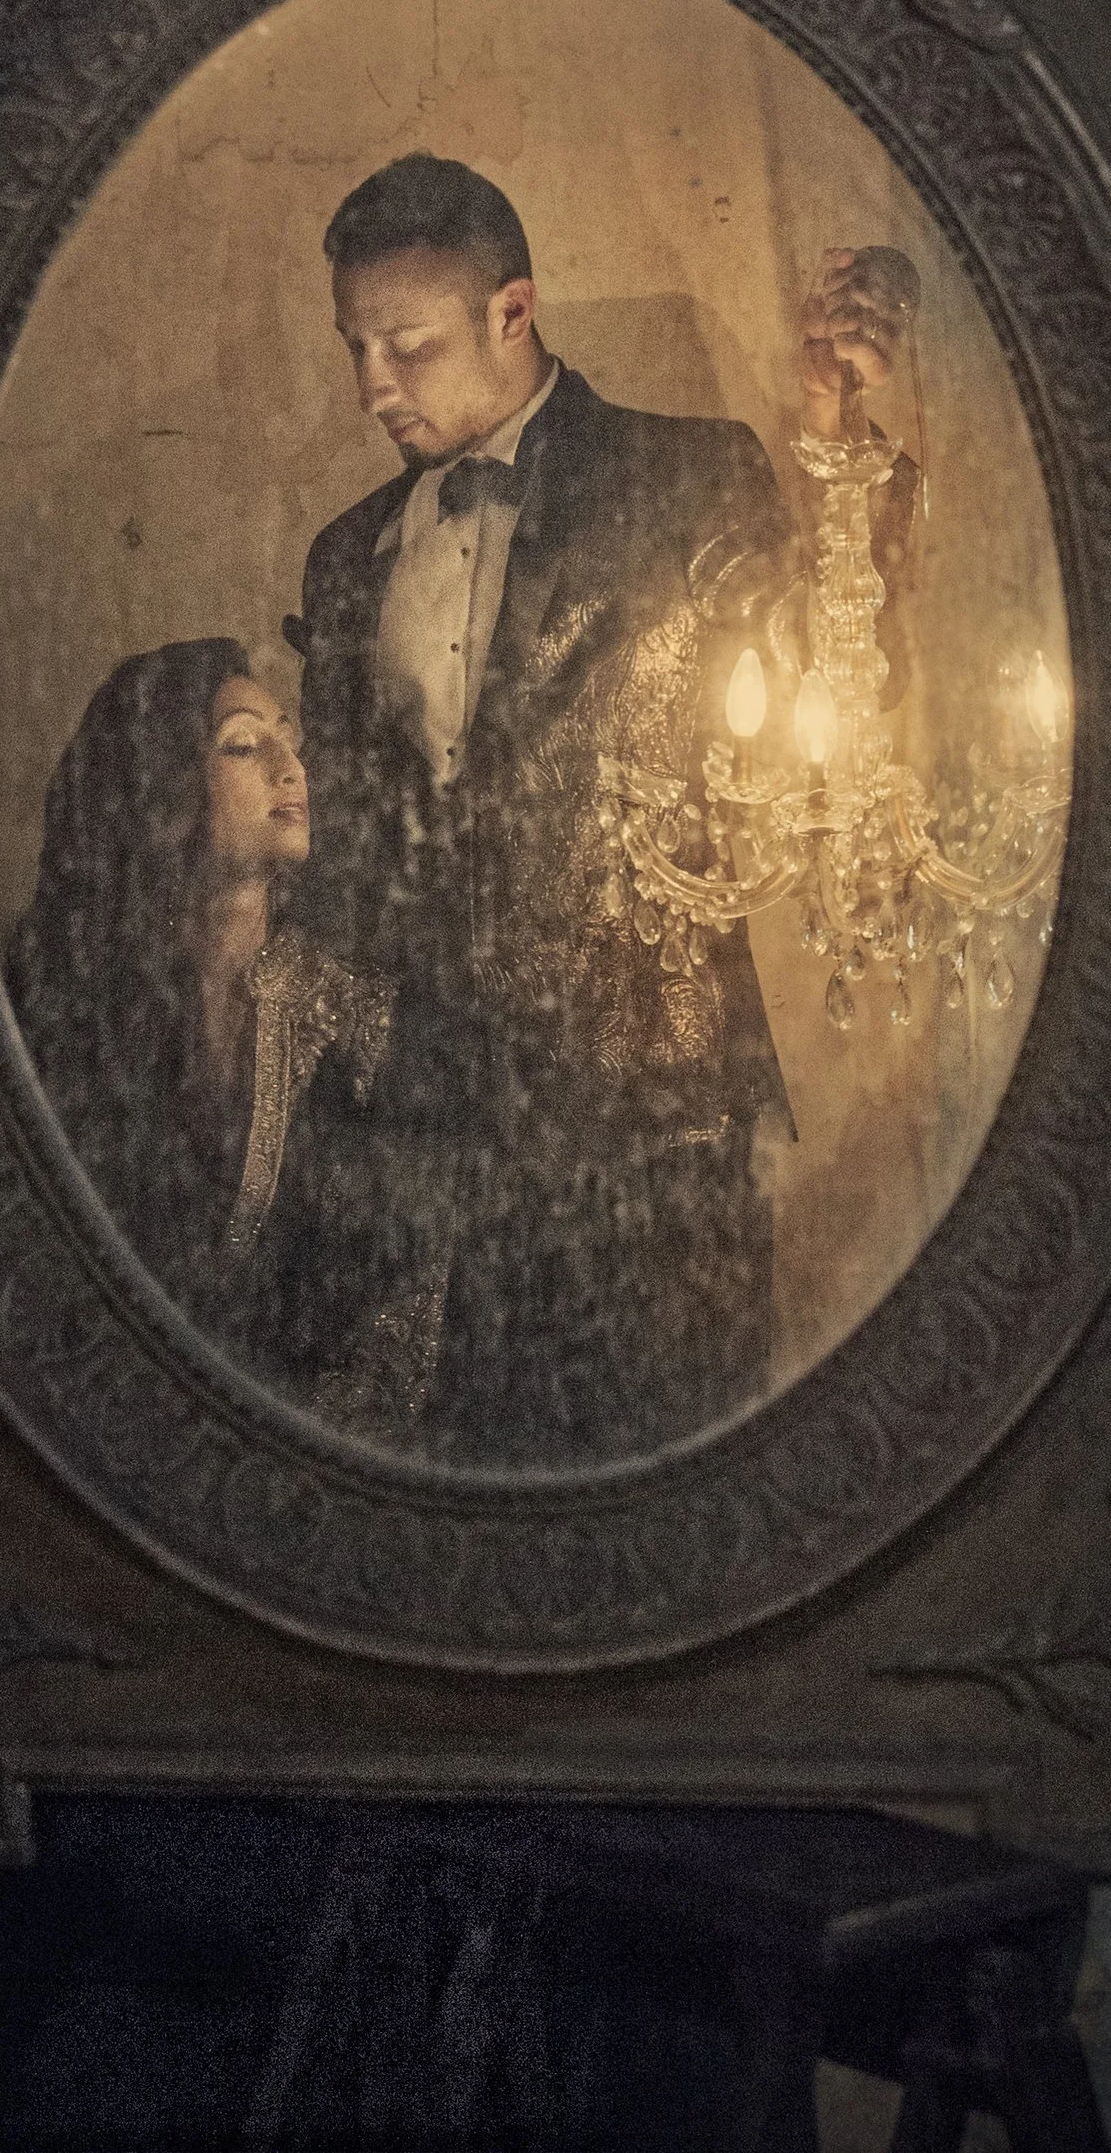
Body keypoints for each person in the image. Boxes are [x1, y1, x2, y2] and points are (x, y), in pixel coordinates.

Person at [279, 153, 914, 1466]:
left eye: (406, 345)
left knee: (665, 1509)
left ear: (513, 313)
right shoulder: (346, 557)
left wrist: (836, 439)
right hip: (419, 1160)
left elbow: (822, 662)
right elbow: (347, 865)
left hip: (657, 1131)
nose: (370, 388)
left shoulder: (683, 475)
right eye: (355, 347)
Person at [3, 641, 384, 1347]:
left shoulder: (355, 1022)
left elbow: (374, 1315)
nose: (290, 767)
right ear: (162, 785)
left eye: (288, 738)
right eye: (243, 745)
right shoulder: (60, 998)